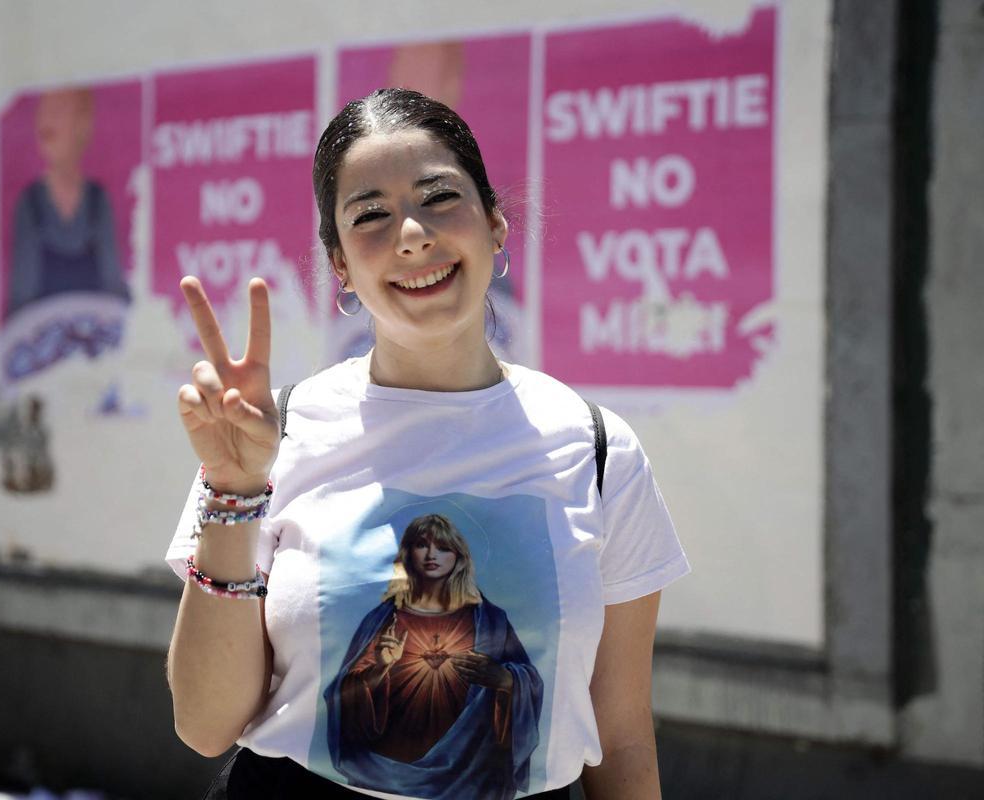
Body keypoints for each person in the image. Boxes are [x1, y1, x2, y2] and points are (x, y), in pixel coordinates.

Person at [165, 88, 690, 799]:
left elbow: (620, 732)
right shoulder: (269, 435)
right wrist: (234, 491)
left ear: (496, 224)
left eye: (440, 198)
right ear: (341, 264)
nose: (412, 234)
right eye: (372, 215)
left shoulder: (598, 451)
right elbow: (204, 726)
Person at [326, 514, 542, 800]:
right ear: (408, 553)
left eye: (442, 547)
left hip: (471, 770)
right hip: (387, 772)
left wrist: (504, 679)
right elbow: (343, 697)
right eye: (421, 545)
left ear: (458, 556)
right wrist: (379, 669)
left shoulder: (490, 620)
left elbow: (529, 679)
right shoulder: (384, 620)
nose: (431, 555)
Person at [6, 88, 129, 319]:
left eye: (59, 111)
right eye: (44, 112)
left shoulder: (97, 201)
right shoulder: (30, 204)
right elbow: (20, 297)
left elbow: (113, 285)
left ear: (82, 125)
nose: (47, 120)